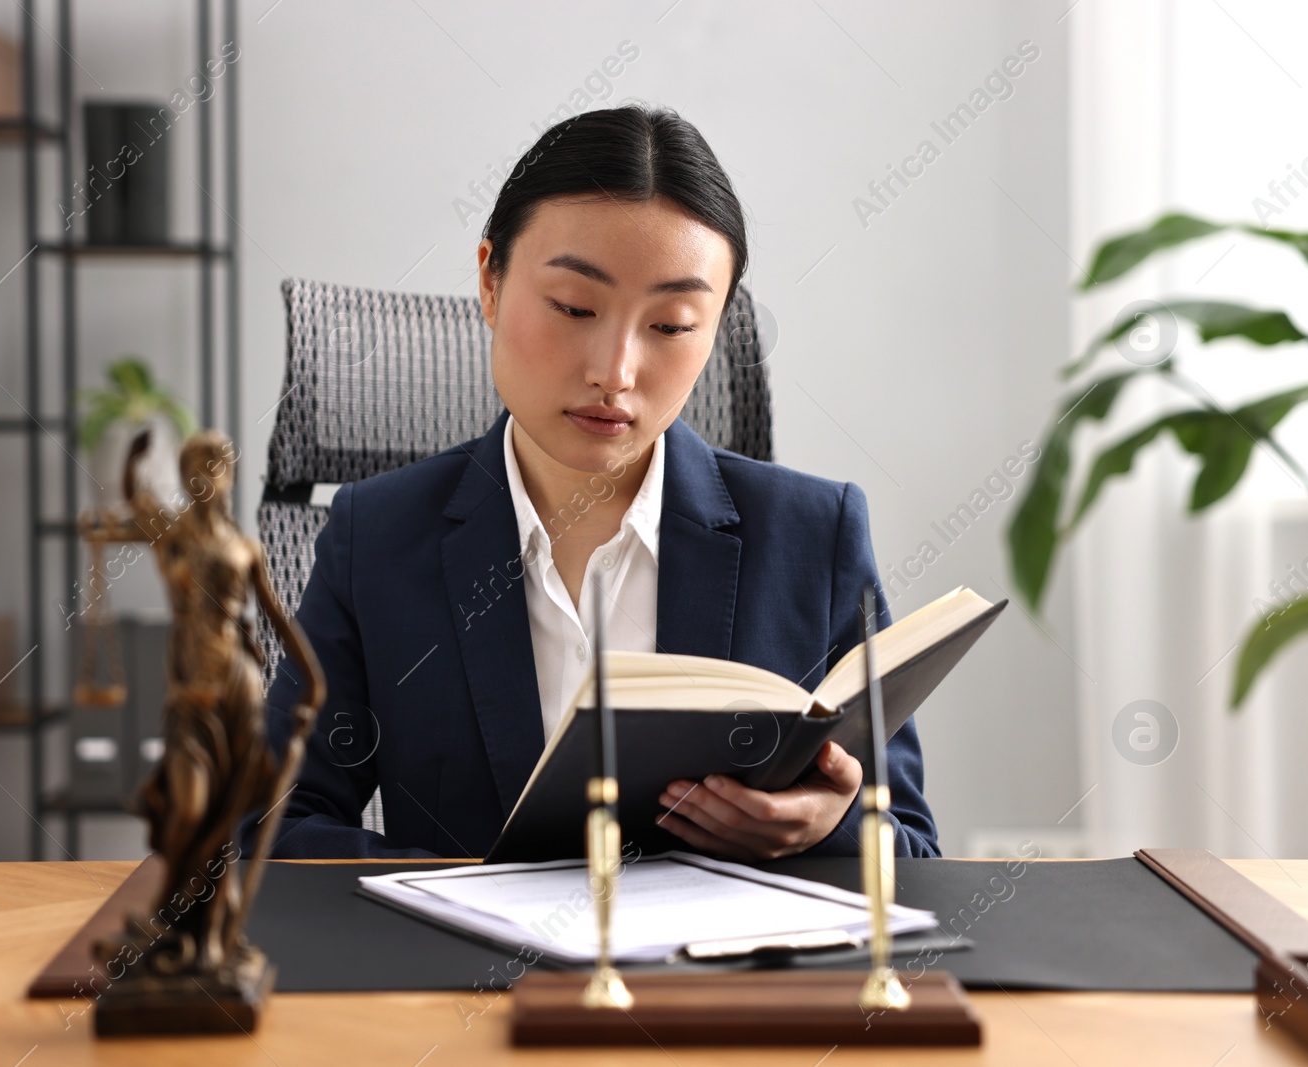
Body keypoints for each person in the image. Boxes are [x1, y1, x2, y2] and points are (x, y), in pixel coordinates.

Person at [260, 105, 939, 861]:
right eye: (575, 307)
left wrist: (827, 826)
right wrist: (459, 898)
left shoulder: (816, 535)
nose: (614, 372)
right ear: (490, 280)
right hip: (466, 977)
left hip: (715, 977)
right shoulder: (376, 537)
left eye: (673, 325)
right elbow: (273, 827)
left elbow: (913, 849)